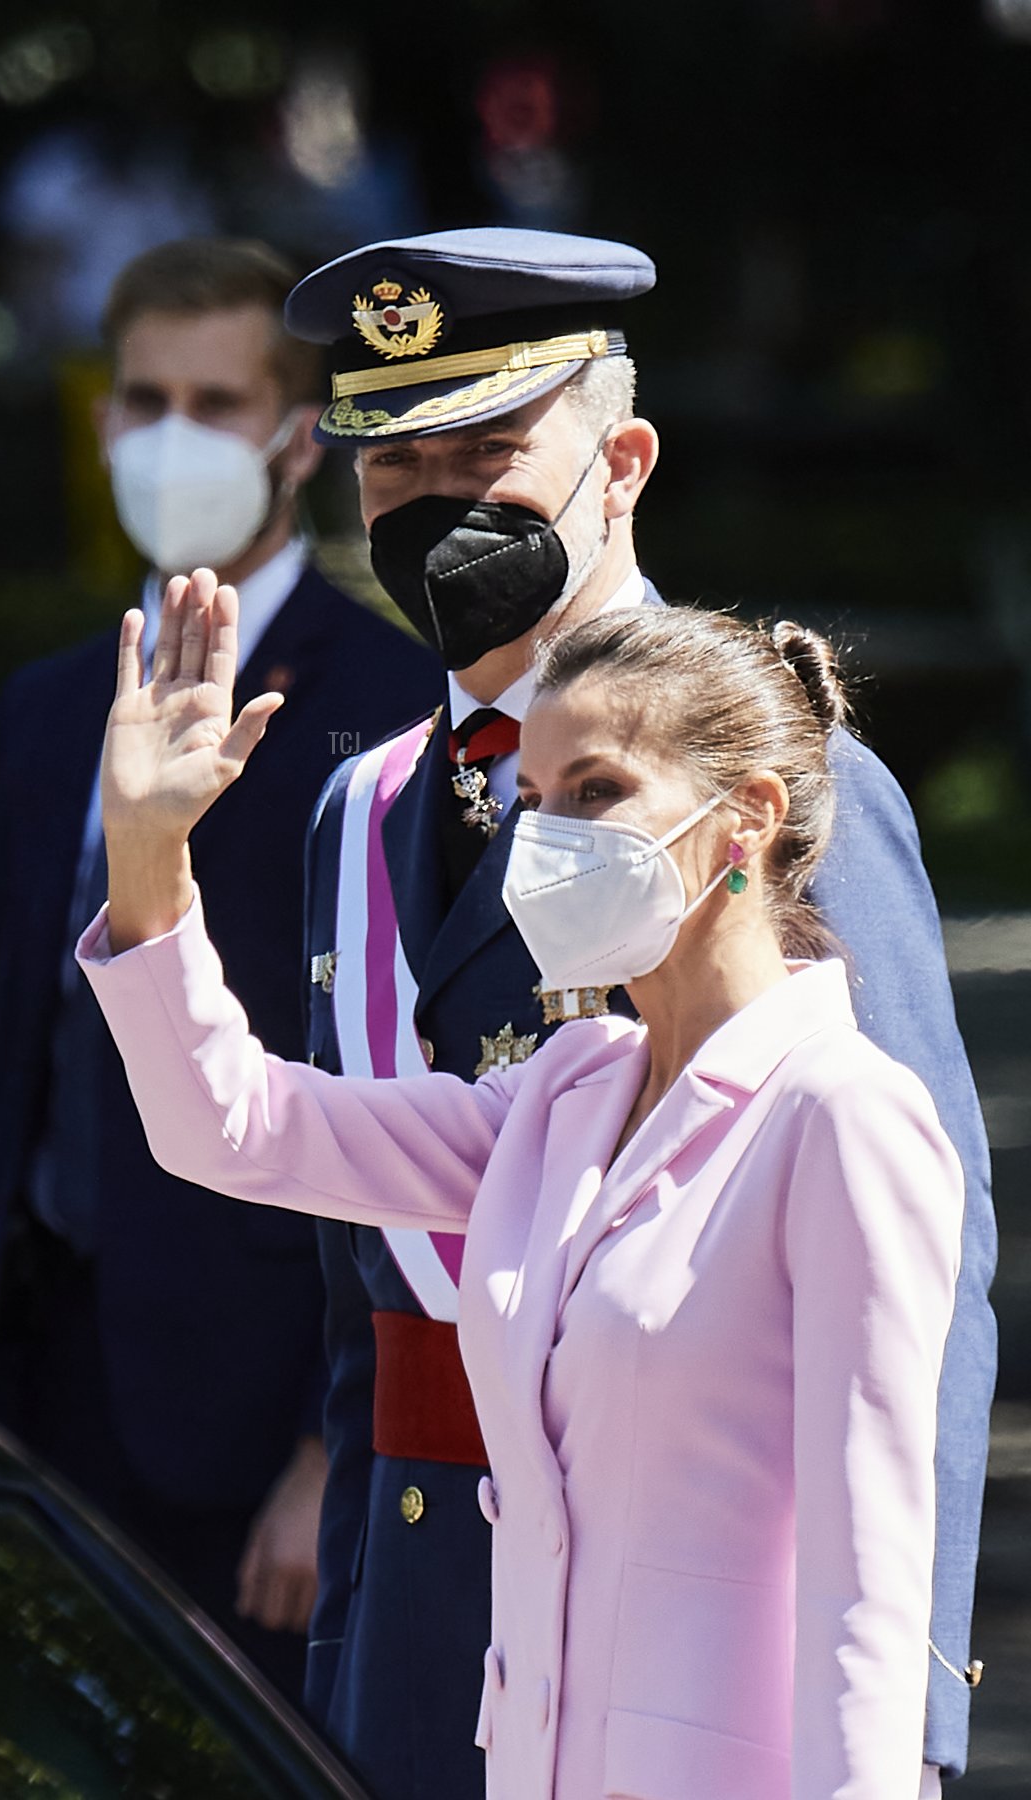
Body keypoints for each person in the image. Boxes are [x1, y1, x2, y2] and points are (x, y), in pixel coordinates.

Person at [279, 228, 993, 1799]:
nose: (437, 504)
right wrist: (345, 1656)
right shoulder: (362, 806)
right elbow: (364, 1306)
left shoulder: (770, 776)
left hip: (686, 1638)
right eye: (394, 467)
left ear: (623, 463)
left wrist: (908, 1723)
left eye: (487, 453)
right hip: (423, 1621)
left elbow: (921, 1287)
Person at [77, 575, 965, 1800]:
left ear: (748, 817)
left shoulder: (842, 1113)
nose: (546, 841)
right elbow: (233, 1128)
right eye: (533, 803)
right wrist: (147, 857)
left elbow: (870, 1585)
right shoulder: (565, 1094)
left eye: (596, 791)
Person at [0, 237, 439, 1699]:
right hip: (32, 1368)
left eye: (217, 400)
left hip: (256, 1391)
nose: (174, 436)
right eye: (147, 399)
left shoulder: (394, 704)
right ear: (100, 419)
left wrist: (336, 1442)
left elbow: (402, 1074)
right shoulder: (45, 706)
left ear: (300, 434)